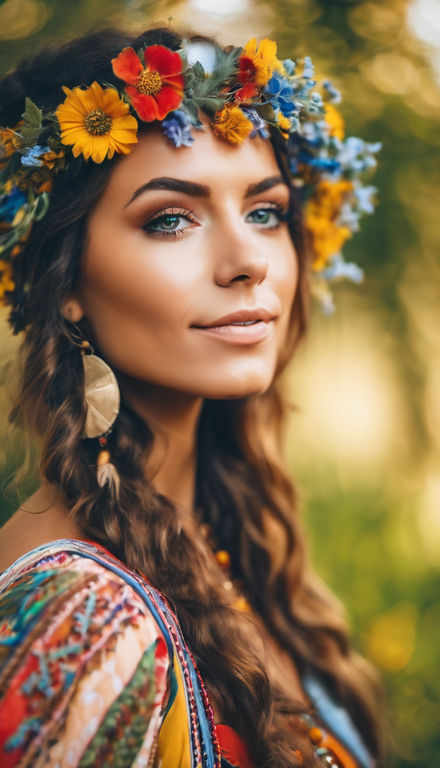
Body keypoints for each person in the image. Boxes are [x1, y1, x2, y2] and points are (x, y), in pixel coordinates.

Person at [0, 25, 383, 768]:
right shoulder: (78, 622)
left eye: (266, 212)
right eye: (172, 218)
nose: (247, 262)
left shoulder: (223, 541)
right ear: (67, 280)